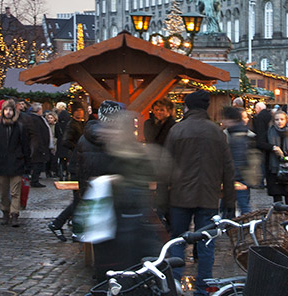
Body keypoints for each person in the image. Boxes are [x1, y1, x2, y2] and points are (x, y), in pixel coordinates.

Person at [159, 91, 234, 296]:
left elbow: (165, 167)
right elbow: (228, 169)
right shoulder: (217, 132)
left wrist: (160, 201)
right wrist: (230, 202)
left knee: (177, 241)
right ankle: (203, 289)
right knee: (206, 244)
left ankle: (175, 283)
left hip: (180, 197)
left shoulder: (177, 130)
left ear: (188, 107)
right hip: (209, 197)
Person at [92, 109, 165, 279]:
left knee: (127, 268)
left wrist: (116, 182)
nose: (106, 133)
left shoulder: (133, 153)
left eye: (113, 129)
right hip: (120, 223)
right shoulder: (119, 151)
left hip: (128, 223)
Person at [50, 100, 119, 241]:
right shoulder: (110, 138)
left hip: (85, 177)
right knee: (80, 203)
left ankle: (63, 226)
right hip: (94, 179)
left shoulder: (86, 135)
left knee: (81, 202)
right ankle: (72, 229)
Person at [0, 99, 30, 227]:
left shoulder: (20, 127)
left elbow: (25, 146)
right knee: (3, 192)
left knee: (15, 192)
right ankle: (5, 211)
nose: (8, 112)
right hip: (1, 164)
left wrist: (26, 163)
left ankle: (14, 214)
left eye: (10, 110)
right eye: (6, 110)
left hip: (16, 163)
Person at [264, 109, 288, 212]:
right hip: (274, 171)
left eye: (282, 119)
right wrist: (273, 147)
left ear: (286, 120)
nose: (279, 122)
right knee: (277, 202)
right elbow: (260, 144)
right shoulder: (269, 133)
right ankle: (279, 224)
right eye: (277, 119)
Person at [222, 106, 252, 216]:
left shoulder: (235, 134)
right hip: (240, 175)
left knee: (242, 205)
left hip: (237, 176)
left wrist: (232, 176)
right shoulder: (241, 132)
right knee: (235, 203)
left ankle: (246, 227)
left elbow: (238, 158)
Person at [26, 102, 52, 187]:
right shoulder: (35, 119)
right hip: (38, 145)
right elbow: (37, 134)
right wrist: (40, 145)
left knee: (39, 163)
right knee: (37, 163)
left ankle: (35, 179)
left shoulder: (37, 118)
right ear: (38, 110)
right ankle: (34, 180)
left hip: (40, 144)